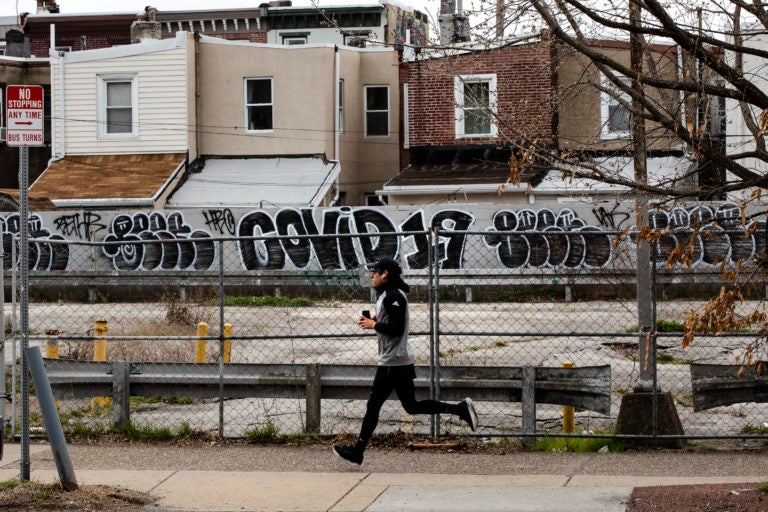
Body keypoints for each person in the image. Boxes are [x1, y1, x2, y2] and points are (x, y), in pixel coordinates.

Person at [332, 257, 478, 466]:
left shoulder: (393, 296)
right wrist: (375, 317)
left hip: (393, 363)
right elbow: (391, 318)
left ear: (385, 275)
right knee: (410, 406)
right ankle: (460, 409)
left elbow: (397, 328)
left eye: (375, 272)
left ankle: (357, 452)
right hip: (397, 361)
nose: (371, 275)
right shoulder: (387, 295)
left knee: (374, 406)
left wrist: (374, 325)